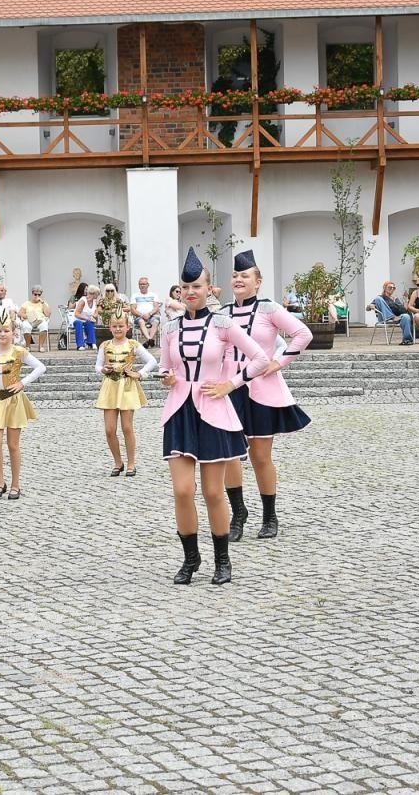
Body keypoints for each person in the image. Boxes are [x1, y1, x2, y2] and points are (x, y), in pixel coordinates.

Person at [158, 248, 270, 586]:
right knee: (181, 491)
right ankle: (190, 559)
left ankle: (223, 560)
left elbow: (260, 357)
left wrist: (231, 384)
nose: (190, 292)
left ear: (209, 289)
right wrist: (166, 376)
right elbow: (166, 364)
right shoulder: (170, 329)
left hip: (214, 413)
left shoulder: (222, 324)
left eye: (197, 287)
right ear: (179, 291)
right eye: (185, 287)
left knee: (212, 492)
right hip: (179, 411)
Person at [224, 250, 312, 541]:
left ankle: (269, 515)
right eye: (235, 275)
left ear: (257, 282)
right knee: (230, 456)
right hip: (230, 389)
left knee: (260, 456)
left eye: (244, 276)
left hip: (262, 391)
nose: (238, 279)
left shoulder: (269, 309)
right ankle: (238, 514)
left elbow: (303, 334)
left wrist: (279, 361)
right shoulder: (222, 314)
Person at [0, 311, 47, 499]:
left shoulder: (19, 352)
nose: (2, 334)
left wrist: (22, 383)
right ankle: (0, 482)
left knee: (13, 444)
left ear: (13, 332)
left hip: (13, 400)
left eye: (6, 331)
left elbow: (40, 367)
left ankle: (16, 484)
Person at [96, 310, 154, 476]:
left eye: (121, 326)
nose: (118, 329)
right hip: (110, 386)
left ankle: (131, 463)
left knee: (127, 427)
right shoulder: (105, 345)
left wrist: (140, 374)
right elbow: (97, 365)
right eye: (114, 326)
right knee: (109, 429)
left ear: (127, 327)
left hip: (127, 386)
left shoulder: (133, 345)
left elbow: (151, 361)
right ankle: (117, 462)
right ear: (110, 327)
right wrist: (102, 369)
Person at [20, 285, 53, 354]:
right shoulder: (27, 303)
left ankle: (41, 346)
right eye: (35, 294)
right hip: (29, 320)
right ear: (32, 294)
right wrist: (26, 315)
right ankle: (28, 346)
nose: (37, 296)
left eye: (39, 294)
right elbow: (20, 313)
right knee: (26, 326)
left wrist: (43, 303)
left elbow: (48, 314)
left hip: (40, 320)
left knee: (44, 325)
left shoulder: (43, 303)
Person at [131, 276, 161, 345]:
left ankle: (148, 341)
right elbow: (132, 309)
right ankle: (150, 339)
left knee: (156, 321)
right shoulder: (135, 296)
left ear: (148, 285)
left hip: (152, 315)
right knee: (141, 321)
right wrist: (142, 315)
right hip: (139, 316)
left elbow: (156, 308)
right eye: (141, 284)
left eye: (144, 284)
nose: (142, 286)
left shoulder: (154, 295)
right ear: (138, 286)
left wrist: (149, 314)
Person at [72, 284, 102, 351]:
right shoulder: (83, 301)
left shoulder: (94, 302)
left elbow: (95, 313)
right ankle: (80, 345)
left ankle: (92, 343)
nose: (98, 296)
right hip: (78, 319)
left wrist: (94, 316)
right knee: (79, 323)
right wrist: (86, 318)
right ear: (93, 294)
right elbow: (77, 314)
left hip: (88, 320)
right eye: (97, 294)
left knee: (90, 323)